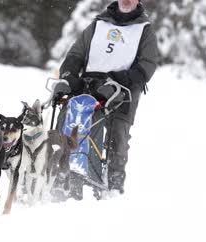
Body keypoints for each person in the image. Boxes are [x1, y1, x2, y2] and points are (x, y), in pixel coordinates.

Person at [58, 0, 160, 196]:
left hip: (123, 91)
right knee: (72, 125)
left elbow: (146, 67)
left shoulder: (144, 30)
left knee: (118, 139)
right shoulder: (98, 24)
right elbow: (76, 53)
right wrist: (70, 75)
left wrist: (118, 78)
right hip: (90, 84)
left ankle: (113, 187)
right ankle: (66, 174)